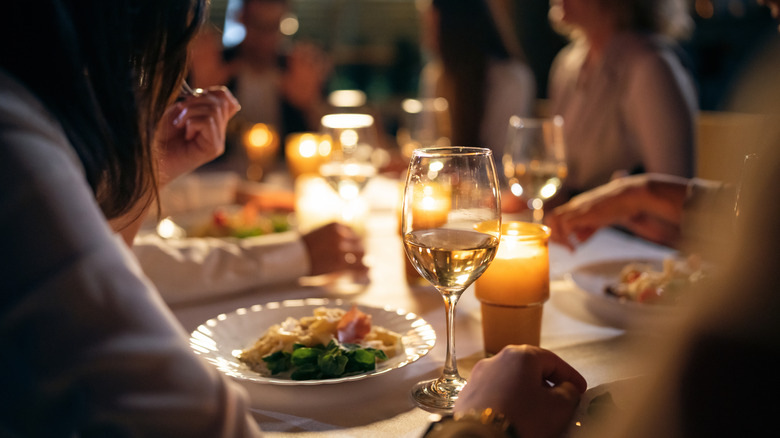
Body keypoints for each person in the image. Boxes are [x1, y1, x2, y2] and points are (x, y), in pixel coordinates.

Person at [0, 0, 265, 435]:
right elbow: (193, 416)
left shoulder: (34, 106)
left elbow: (106, 276)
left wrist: (150, 169)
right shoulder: (13, 133)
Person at [547, 0, 697, 204]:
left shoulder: (651, 67)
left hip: (624, 234)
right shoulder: (567, 64)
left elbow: (674, 198)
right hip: (578, 230)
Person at [193, 0, 331, 173]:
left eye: (273, 27)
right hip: (216, 175)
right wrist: (200, 94)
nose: (265, 38)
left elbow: (327, 138)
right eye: (258, 26)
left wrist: (310, 103)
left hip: (283, 177)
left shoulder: (298, 69)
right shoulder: (214, 64)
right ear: (241, 19)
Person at [418, 0, 536, 163]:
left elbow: (504, 161)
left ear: (457, 28)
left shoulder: (510, 79)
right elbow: (428, 145)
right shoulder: (436, 75)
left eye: (434, 30)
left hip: (493, 185)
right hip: (447, 183)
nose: (427, 42)